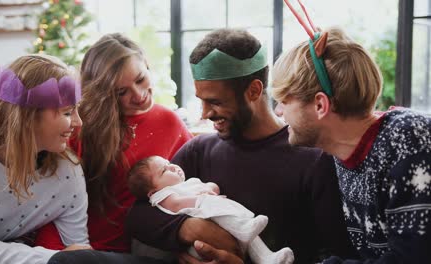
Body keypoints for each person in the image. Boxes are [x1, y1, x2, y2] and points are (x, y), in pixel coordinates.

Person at [127, 28, 356, 264]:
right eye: (201, 101)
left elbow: (339, 255)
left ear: (254, 91)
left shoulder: (313, 160)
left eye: (214, 102)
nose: (205, 114)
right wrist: (190, 228)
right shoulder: (200, 150)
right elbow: (138, 215)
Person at [271, 17, 431, 263]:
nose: (279, 112)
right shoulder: (342, 155)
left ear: (320, 105)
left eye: (284, 100)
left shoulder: (409, 140)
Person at [34, 33, 193, 256]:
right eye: (121, 92)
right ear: (102, 94)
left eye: (140, 79)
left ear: (147, 66)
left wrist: (182, 246)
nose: (138, 96)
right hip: (68, 245)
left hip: (136, 249)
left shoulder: (170, 122)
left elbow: (190, 186)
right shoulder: (79, 126)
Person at [0, 54, 89, 264]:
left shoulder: (67, 172)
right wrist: (52, 259)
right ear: (28, 115)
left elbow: (79, 252)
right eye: (67, 112)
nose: (78, 122)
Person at [128, 155, 295, 264]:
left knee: (248, 232)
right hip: (202, 243)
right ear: (153, 191)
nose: (173, 167)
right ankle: (243, 229)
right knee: (237, 224)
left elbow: (212, 186)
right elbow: (176, 204)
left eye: (170, 163)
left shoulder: (188, 182)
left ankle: (267, 258)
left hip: (226, 229)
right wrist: (199, 198)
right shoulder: (163, 194)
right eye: (165, 170)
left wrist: (209, 187)